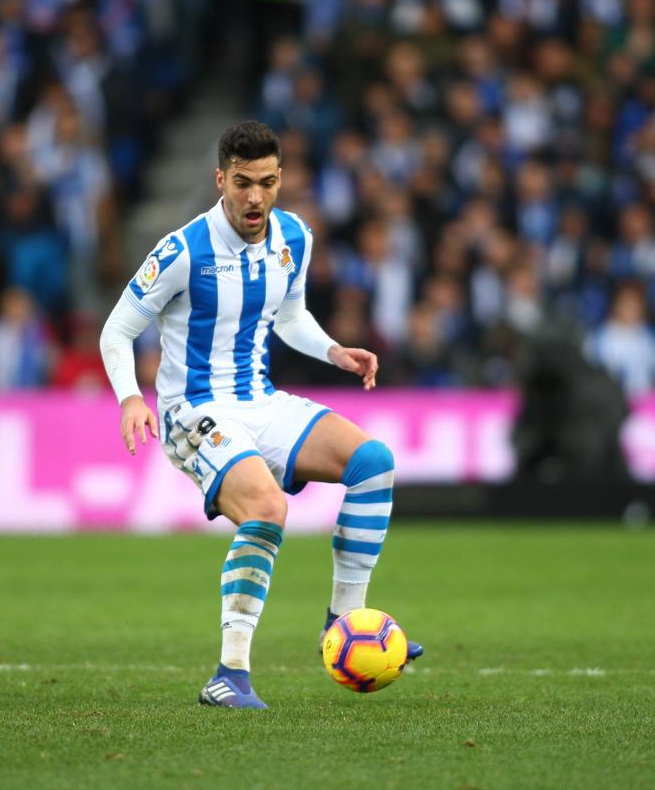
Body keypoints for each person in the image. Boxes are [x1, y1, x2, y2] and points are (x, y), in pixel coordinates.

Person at [98, 120, 421, 709]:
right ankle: (230, 674)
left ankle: (344, 623)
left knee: (373, 463)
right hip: (193, 411)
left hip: (259, 401)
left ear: (281, 179)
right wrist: (130, 397)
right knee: (268, 509)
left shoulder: (294, 235)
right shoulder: (182, 251)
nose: (255, 197)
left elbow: (290, 316)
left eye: (267, 183)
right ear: (220, 179)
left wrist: (334, 351)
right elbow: (117, 330)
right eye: (242, 182)